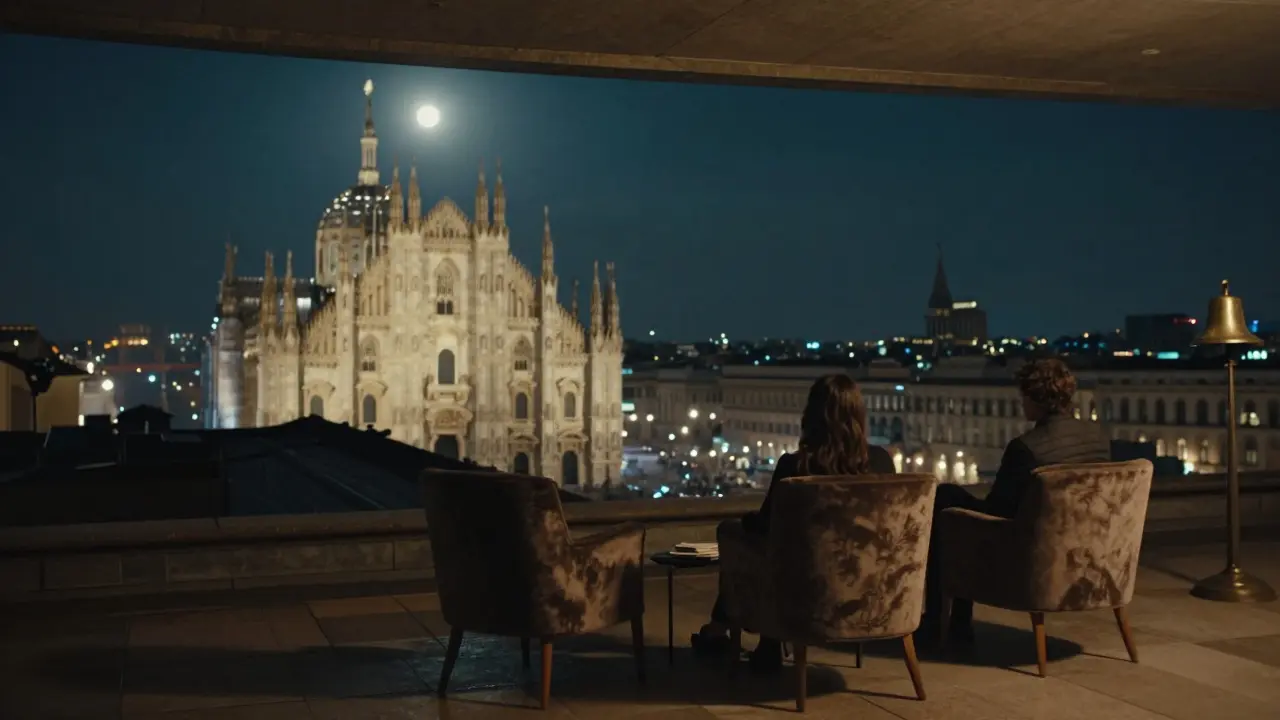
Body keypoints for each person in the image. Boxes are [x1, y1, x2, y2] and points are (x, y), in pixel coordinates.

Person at [690, 373, 897, 672]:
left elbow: (767, 525)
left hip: (805, 593)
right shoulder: (882, 463)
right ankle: (754, 639)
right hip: (869, 589)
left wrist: (743, 524)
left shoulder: (795, 466)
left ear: (810, 416)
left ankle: (730, 633)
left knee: (747, 543)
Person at [918, 358, 1111, 645]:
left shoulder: (1027, 448)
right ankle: (953, 624)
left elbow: (997, 512)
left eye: (1023, 397)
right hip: (1089, 552)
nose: (1021, 404)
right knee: (953, 506)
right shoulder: (1098, 439)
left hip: (1032, 557)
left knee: (947, 502)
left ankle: (941, 622)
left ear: (1035, 398)